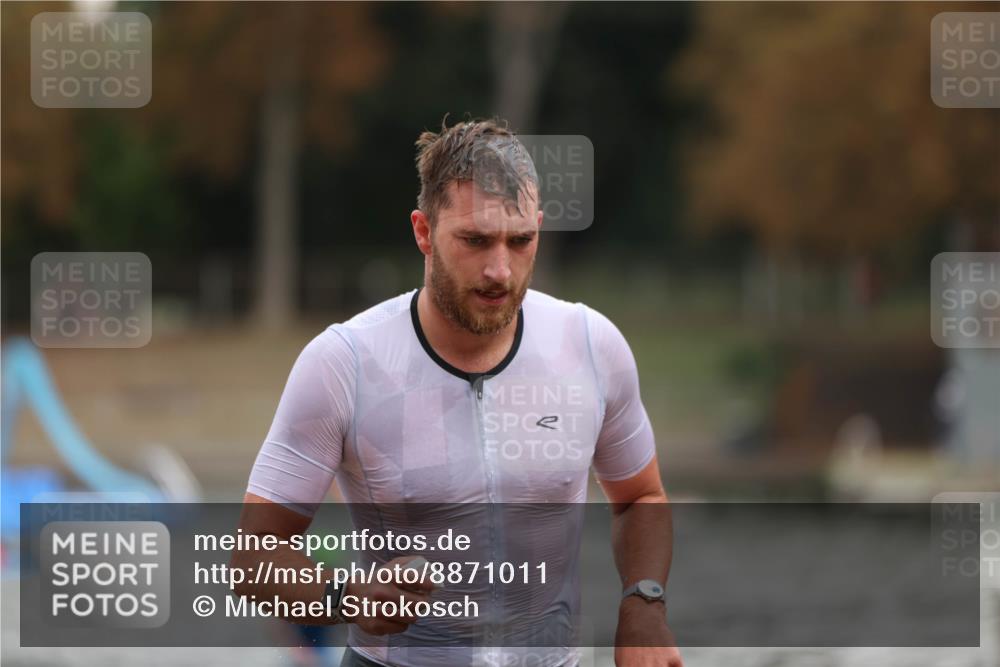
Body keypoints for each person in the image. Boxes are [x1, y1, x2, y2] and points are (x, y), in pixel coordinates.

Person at [232, 118, 683, 667]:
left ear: (539, 227)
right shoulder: (343, 362)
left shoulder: (591, 345)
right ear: (423, 231)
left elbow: (641, 498)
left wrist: (644, 602)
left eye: (521, 241)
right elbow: (253, 554)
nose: (500, 270)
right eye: (474, 240)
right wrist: (344, 596)